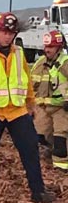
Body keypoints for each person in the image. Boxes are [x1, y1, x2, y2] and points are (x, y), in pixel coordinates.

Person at [0, 12, 55, 203]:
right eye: (4, 32)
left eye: (11, 33)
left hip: (18, 111)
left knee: (30, 151)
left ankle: (38, 192)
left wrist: (30, 104)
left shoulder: (19, 54)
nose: (8, 36)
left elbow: (26, 80)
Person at [31, 30, 68, 172]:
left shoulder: (65, 63)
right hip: (42, 108)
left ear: (59, 48)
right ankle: (46, 165)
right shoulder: (40, 63)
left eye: (51, 47)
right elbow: (30, 84)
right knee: (39, 138)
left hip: (61, 108)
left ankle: (61, 169)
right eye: (46, 46)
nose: (47, 50)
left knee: (61, 139)